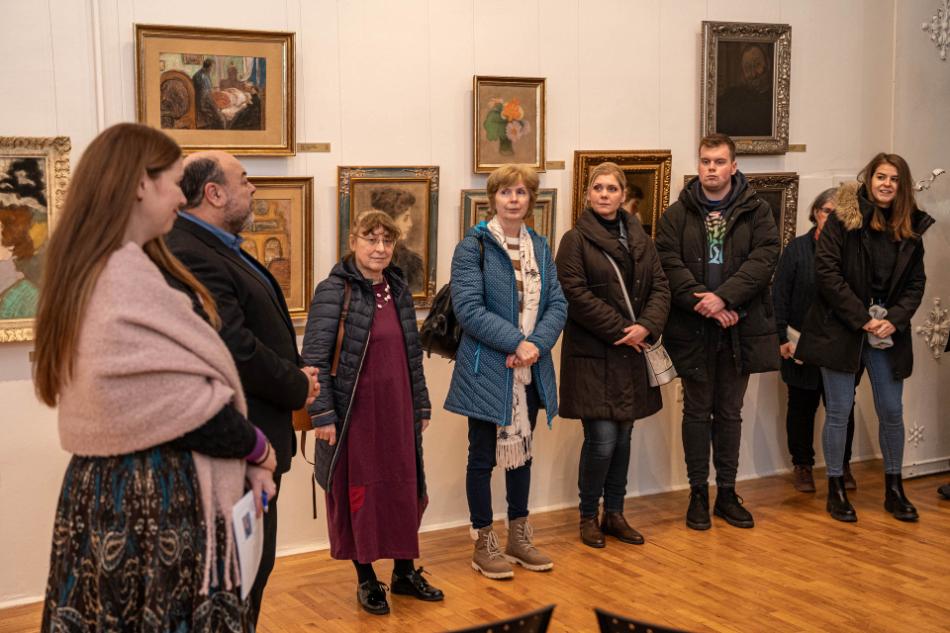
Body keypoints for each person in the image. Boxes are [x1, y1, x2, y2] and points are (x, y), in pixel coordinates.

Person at [34, 122, 277, 632]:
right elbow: (187, 408)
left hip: (115, 492)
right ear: (142, 184)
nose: (182, 197)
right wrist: (257, 447)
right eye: (173, 181)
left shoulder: (102, 268)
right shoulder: (120, 281)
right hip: (148, 501)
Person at [165, 150, 319, 625]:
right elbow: (234, 346)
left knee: (253, 569)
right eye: (244, 179)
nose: (252, 188)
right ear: (214, 193)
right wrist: (296, 384)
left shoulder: (217, 246)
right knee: (237, 577)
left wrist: (297, 375)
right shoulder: (191, 251)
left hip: (254, 441)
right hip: (235, 444)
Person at [302, 211, 442, 616]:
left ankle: (404, 572)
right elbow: (314, 359)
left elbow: (411, 354)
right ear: (353, 241)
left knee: (402, 489)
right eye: (371, 239)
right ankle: (366, 579)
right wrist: (323, 415)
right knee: (360, 495)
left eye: (387, 240)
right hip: (354, 416)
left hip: (398, 411)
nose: (380, 248)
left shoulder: (397, 287)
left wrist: (421, 403)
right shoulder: (333, 290)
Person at [796, 153, 935, 523]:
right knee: (839, 411)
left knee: (891, 410)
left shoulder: (910, 227)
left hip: (888, 330)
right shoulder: (843, 218)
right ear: (869, 179)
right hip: (842, 328)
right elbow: (827, 274)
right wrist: (862, 319)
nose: (887, 184)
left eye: (894, 179)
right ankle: (836, 489)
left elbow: (916, 284)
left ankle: (894, 489)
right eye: (881, 177)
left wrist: (895, 320)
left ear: (902, 186)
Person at [444, 163, 567, 579]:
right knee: (482, 458)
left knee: (522, 455)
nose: (513, 199)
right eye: (505, 192)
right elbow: (469, 309)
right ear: (492, 198)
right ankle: (484, 541)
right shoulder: (472, 247)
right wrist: (517, 342)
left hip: (530, 369)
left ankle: (519, 536)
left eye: (521, 192)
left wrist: (535, 346)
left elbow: (557, 305)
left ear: (531, 200)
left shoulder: (541, 247)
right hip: (486, 370)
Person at [655, 133, 780, 531]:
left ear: (733, 166)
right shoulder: (677, 214)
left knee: (729, 412)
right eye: (705, 161)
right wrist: (705, 303)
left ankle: (726, 492)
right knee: (696, 411)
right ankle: (697, 493)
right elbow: (667, 264)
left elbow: (764, 260)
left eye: (719, 162)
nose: (711, 168)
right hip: (693, 329)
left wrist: (724, 299)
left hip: (739, 329)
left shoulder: (757, 211)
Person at [556, 162, 670, 548]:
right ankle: (588, 515)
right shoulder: (574, 240)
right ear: (587, 194)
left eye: (612, 188)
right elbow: (574, 294)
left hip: (632, 353)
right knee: (602, 439)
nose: (604, 194)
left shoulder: (641, 239)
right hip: (593, 354)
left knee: (623, 436)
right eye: (598, 188)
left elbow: (661, 288)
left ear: (623, 196)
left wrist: (647, 326)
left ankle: (615, 513)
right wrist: (624, 330)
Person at [773, 188, 859, 493]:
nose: (831, 218)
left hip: (841, 344)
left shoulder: (853, 251)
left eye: (839, 214)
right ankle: (803, 465)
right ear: (815, 213)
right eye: (826, 211)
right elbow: (779, 296)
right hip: (800, 343)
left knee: (842, 407)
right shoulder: (796, 250)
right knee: (801, 406)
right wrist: (781, 337)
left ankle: (842, 465)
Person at [370, 187, 425, 294]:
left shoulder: (413, 263)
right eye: (405, 218)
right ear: (388, 222)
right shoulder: (365, 258)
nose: (410, 224)